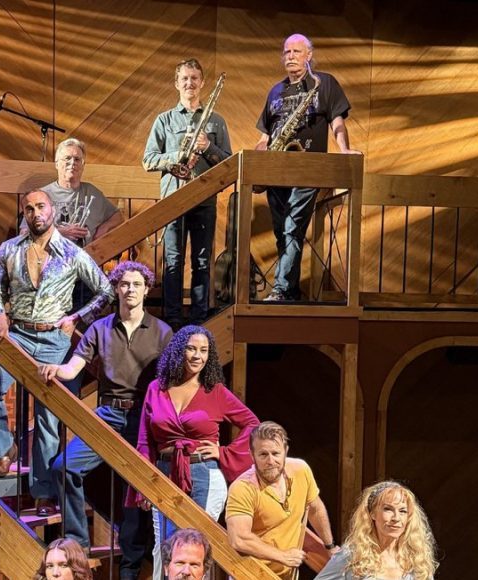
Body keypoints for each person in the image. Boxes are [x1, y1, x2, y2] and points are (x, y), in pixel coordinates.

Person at [0, 189, 113, 514]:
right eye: (29, 208)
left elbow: (106, 290)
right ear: (24, 213)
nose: (35, 213)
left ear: (52, 210)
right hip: (17, 334)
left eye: (41, 206)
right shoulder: (10, 248)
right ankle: (4, 448)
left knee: (48, 418)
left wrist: (77, 318)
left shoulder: (72, 252)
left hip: (54, 339)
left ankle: (43, 492)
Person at [39, 260, 172, 579]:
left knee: (135, 490)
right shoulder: (101, 328)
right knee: (64, 466)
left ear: (146, 289)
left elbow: (170, 382)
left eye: (136, 284)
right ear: (116, 289)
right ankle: (77, 542)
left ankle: (130, 566)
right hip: (108, 413)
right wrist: (58, 370)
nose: (130, 289)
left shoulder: (162, 332)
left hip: (144, 415)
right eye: (124, 284)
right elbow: (75, 365)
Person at [129, 325, 258, 579]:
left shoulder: (215, 391)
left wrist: (224, 452)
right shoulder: (157, 388)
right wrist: (142, 484)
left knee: (198, 548)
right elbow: (144, 440)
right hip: (164, 474)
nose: (198, 356)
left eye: (204, 350)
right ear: (179, 351)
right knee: (165, 548)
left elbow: (253, 424)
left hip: (203, 473)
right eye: (191, 349)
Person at [254, 34, 361, 303]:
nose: (290, 56)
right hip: (276, 169)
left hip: (308, 168)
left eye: (296, 51)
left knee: (292, 227)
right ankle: (289, 291)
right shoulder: (275, 91)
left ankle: (280, 289)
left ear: (309, 55)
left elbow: (337, 122)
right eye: (286, 51)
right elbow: (264, 135)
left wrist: (344, 150)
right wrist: (260, 154)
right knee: (282, 231)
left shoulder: (324, 83)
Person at [143, 58, 232, 328]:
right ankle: (172, 319)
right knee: (173, 261)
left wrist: (208, 148)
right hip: (174, 199)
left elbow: (228, 162)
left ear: (202, 83)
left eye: (194, 78)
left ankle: (198, 319)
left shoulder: (217, 121)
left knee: (202, 262)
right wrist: (177, 155)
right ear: (176, 83)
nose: (189, 83)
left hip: (204, 199)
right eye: (184, 78)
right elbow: (148, 160)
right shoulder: (164, 120)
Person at [226, 421, 338, 579]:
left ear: (286, 451)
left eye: (275, 453)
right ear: (252, 455)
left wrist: (329, 546)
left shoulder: (301, 470)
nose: (270, 461)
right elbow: (239, 539)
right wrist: (283, 556)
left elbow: (315, 508)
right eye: (263, 454)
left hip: (286, 575)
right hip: (251, 574)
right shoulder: (242, 488)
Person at [314, 481, 438, 580]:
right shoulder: (353, 555)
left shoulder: (417, 558)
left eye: (403, 511)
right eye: (388, 509)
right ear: (372, 513)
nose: (396, 518)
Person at [25, 137, 122, 247]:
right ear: (57, 164)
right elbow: (25, 233)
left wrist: (103, 229)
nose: (72, 163)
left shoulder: (93, 193)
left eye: (77, 159)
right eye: (67, 158)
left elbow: (117, 217)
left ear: (83, 166)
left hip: (86, 254)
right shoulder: (41, 196)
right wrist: (59, 233)